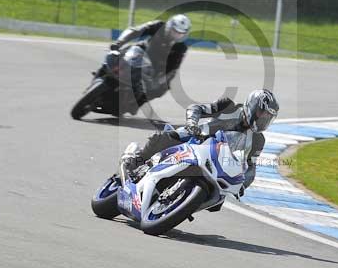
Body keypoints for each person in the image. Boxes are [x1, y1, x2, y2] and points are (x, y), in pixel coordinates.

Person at [120, 89, 279, 192]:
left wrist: (243, 185)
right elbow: (197, 108)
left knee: (219, 198)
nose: (263, 120)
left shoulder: (258, 140)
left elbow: (251, 167)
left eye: (268, 118)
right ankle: (136, 159)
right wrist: (192, 123)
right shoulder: (228, 107)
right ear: (252, 105)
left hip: (216, 163)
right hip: (195, 139)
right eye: (262, 114)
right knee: (165, 138)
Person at [110, 14, 191, 110]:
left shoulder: (181, 48)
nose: (177, 35)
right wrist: (118, 43)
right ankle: (103, 72)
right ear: (169, 26)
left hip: (155, 68)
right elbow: (136, 31)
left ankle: (134, 104)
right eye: (175, 31)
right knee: (117, 54)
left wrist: (159, 81)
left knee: (163, 87)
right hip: (140, 51)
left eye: (180, 33)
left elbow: (173, 68)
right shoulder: (158, 26)